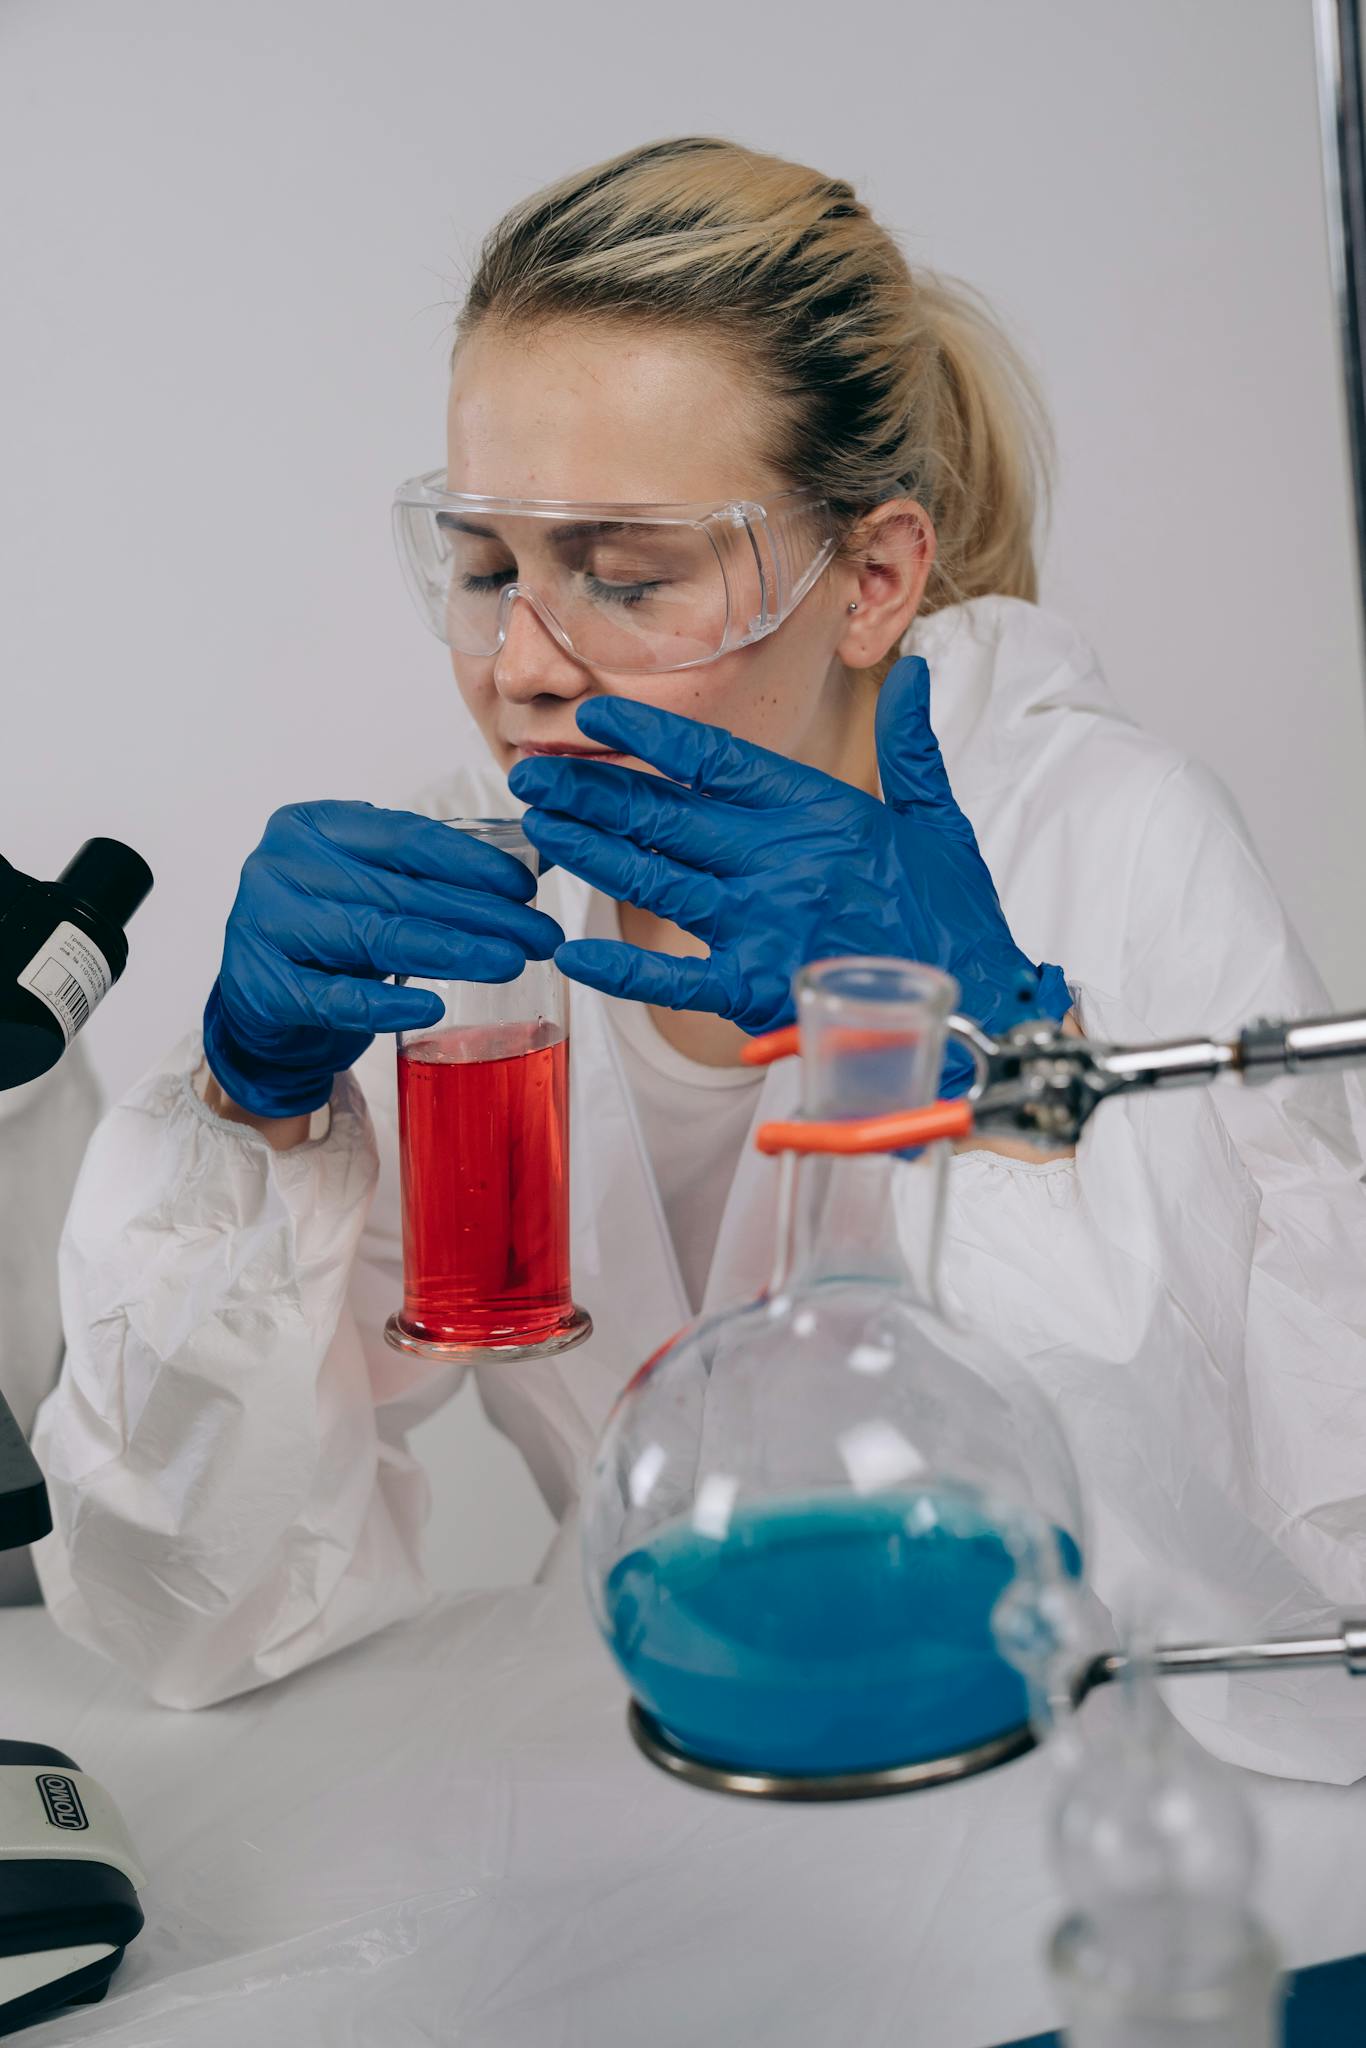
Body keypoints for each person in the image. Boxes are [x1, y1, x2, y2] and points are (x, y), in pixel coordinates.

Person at [31, 139, 1366, 1776]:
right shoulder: (478, 931)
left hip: (1088, 1797)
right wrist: (250, 1120)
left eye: (621, 575)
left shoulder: (1106, 841)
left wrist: (999, 1058)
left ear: (870, 576)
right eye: (483, 568)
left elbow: (1307, 1584)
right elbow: (200, 1622)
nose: (520, 664)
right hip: (684, 1762)